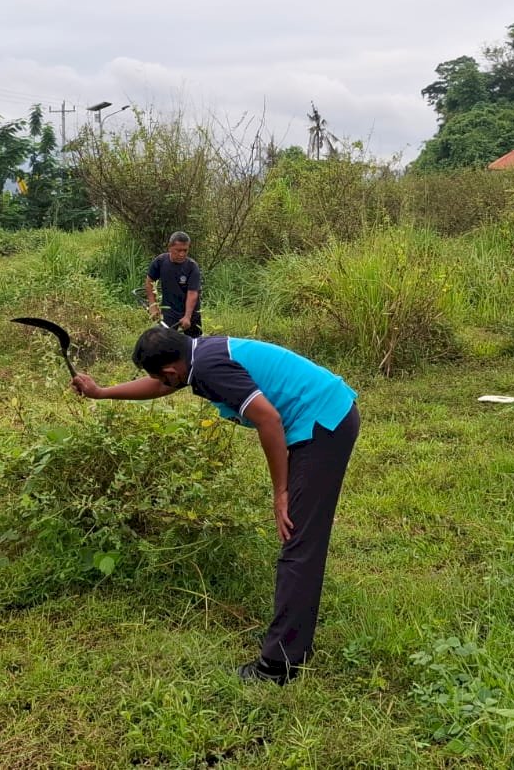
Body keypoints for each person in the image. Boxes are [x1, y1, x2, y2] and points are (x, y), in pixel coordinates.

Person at [72, 327, 359, 684]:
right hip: (323, 413)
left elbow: (268, 419)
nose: (162, 382)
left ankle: (278, 665)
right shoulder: (196, 355)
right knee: (301, 539)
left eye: (160, 376)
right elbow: (161, 386)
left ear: (171, 371)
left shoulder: (208, 368)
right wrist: (101, 392)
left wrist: (280, 491)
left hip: (322, 424)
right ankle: (296, 641)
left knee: (298, 541)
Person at [144, 231, 203, 337]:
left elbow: (193, 293)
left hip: (190, 311)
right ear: (170, 247)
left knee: (194, 343)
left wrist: (187, 316)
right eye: (178, 250)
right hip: (169, 310)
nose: (182, 254)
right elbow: (149, 281)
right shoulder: (160, 261)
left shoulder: (192, 267)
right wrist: (152, 305)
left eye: (185, 250)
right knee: (166, 341)